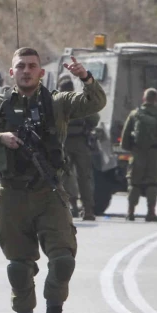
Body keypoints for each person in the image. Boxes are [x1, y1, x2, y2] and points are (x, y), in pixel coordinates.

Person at [0, 47, 106, 313]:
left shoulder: (56, 103)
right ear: (11, 72)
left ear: (41, 73)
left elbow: (95, 102)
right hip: (11, 195)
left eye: (32, 66)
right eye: (21, 66)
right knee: (19, 268)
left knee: (63, 261)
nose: (27, 71)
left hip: (49, 193)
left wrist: (84, 77)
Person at [120, 88, 157, 222]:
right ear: (156, 100)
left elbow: (125, 138)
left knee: (134, 183)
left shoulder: (134, 114)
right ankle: (151, 213)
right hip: (155, 154)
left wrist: (131, 149)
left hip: (137, 154)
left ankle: (130, 213)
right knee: (152, 184)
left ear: (144, 99)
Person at [59, 78, 101, 221]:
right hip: (81, 144)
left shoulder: (56, 102)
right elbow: (94, 120)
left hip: (62, 144)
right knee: (84, 177)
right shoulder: (81, 101)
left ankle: (69, 208)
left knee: (63, 177)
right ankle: (88, 210)